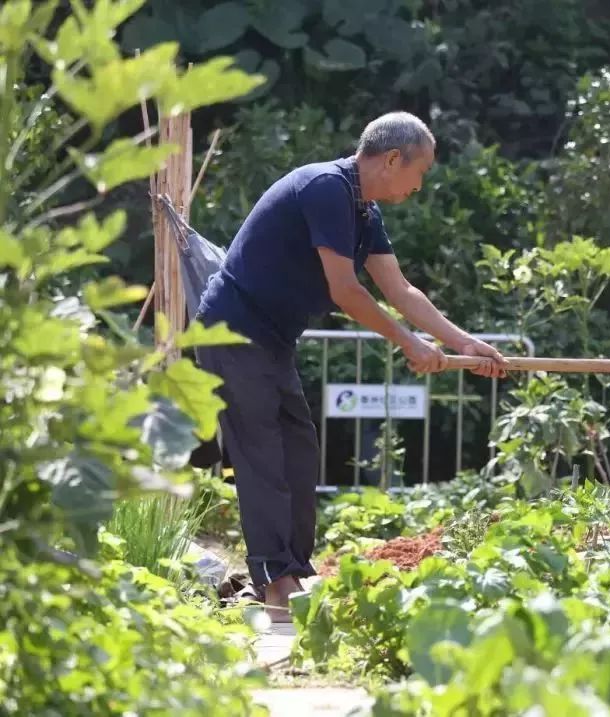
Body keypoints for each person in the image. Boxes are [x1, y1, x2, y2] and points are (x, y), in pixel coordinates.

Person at [194, 111, 508, 619]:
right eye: (419, 171)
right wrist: (409, 344)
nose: (420, 185)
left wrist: (463, 342)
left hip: (271, 339)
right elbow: (346, 291)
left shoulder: (365, 212)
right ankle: (275, 584)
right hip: (231, 329)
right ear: (391, 159)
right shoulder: (325, 189)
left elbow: (399, 289)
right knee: (263, 455)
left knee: (298, 451)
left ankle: (296, 568)